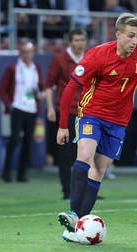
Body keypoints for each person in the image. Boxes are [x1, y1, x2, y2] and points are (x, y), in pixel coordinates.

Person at [56, 13, 137, 242]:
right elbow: (70, 88)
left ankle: (78, 225)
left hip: (119, 121)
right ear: (118, 35)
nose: (135, 41)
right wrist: (63, 126)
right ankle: (74, 213)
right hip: (91, 114)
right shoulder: (98, 55)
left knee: (100, 170)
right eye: (131, 36)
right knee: (85, 155)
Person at [45, 29, 88, 200]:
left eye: (82, 39)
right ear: (70, 42)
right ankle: (67, 190)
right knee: (65, 153)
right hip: (66, 111)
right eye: (76, 40)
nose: (80, 43)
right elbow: (49, 85)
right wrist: (49, 108)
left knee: (85, 152)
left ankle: (84, 190)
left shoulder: (89, 58)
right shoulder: (60, 59)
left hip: (85, 111)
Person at [0, 42, 45, 183]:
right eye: (24, 52)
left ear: (33, 53)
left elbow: (40, 86)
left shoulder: (35, 69)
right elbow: (2, 89)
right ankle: (6, 172)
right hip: (17, 108)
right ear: (20, 53)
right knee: (14, 140)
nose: (27, 55)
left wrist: (41, 94)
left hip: (31, 109)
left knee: (28, 142)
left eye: (29, 52)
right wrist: (9, 104)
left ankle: (22, 174)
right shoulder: (13, 69)